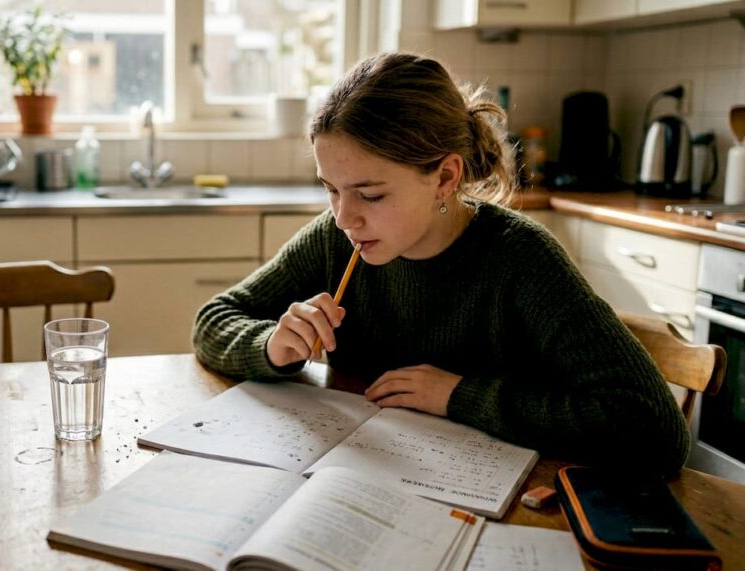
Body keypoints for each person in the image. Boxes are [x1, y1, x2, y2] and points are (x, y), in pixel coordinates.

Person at [192, 52, 689, 476]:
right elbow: (213, 320)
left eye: (370, 193)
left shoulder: (521, 259)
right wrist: (272, 346)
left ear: (446, 177)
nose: (345, 217)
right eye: (331, 189)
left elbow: (653, 429)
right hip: (365, 478)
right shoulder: (336, 239)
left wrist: (461, 396)